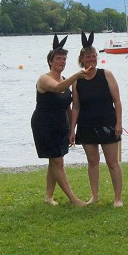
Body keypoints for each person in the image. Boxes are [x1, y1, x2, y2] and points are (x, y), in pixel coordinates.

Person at [32, 36, 87, 205]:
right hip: (44, 124)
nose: (62, 61)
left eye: (64, 59)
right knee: (58, 162)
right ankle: (73, 198)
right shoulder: (44, 79)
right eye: (58, 58)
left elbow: (68, 108)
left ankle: (48, 196)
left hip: (61, 125)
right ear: (50, 61)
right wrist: (77, 76)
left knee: (54, 160)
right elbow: (56, 89)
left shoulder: (64, 80)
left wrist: (72, 130)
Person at [70, 34, 123, 206]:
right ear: (82, 60)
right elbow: (76, 107)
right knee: (92, 162)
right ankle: (94, 195)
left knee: (112, 162)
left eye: (94, 56)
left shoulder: (106, 74)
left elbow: (117, 101)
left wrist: (119, 123)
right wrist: (72, 130)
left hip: (107, 123)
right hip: (86, 125)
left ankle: (118, 198)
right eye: (88, 57)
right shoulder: (77, 81)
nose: (91, 60)